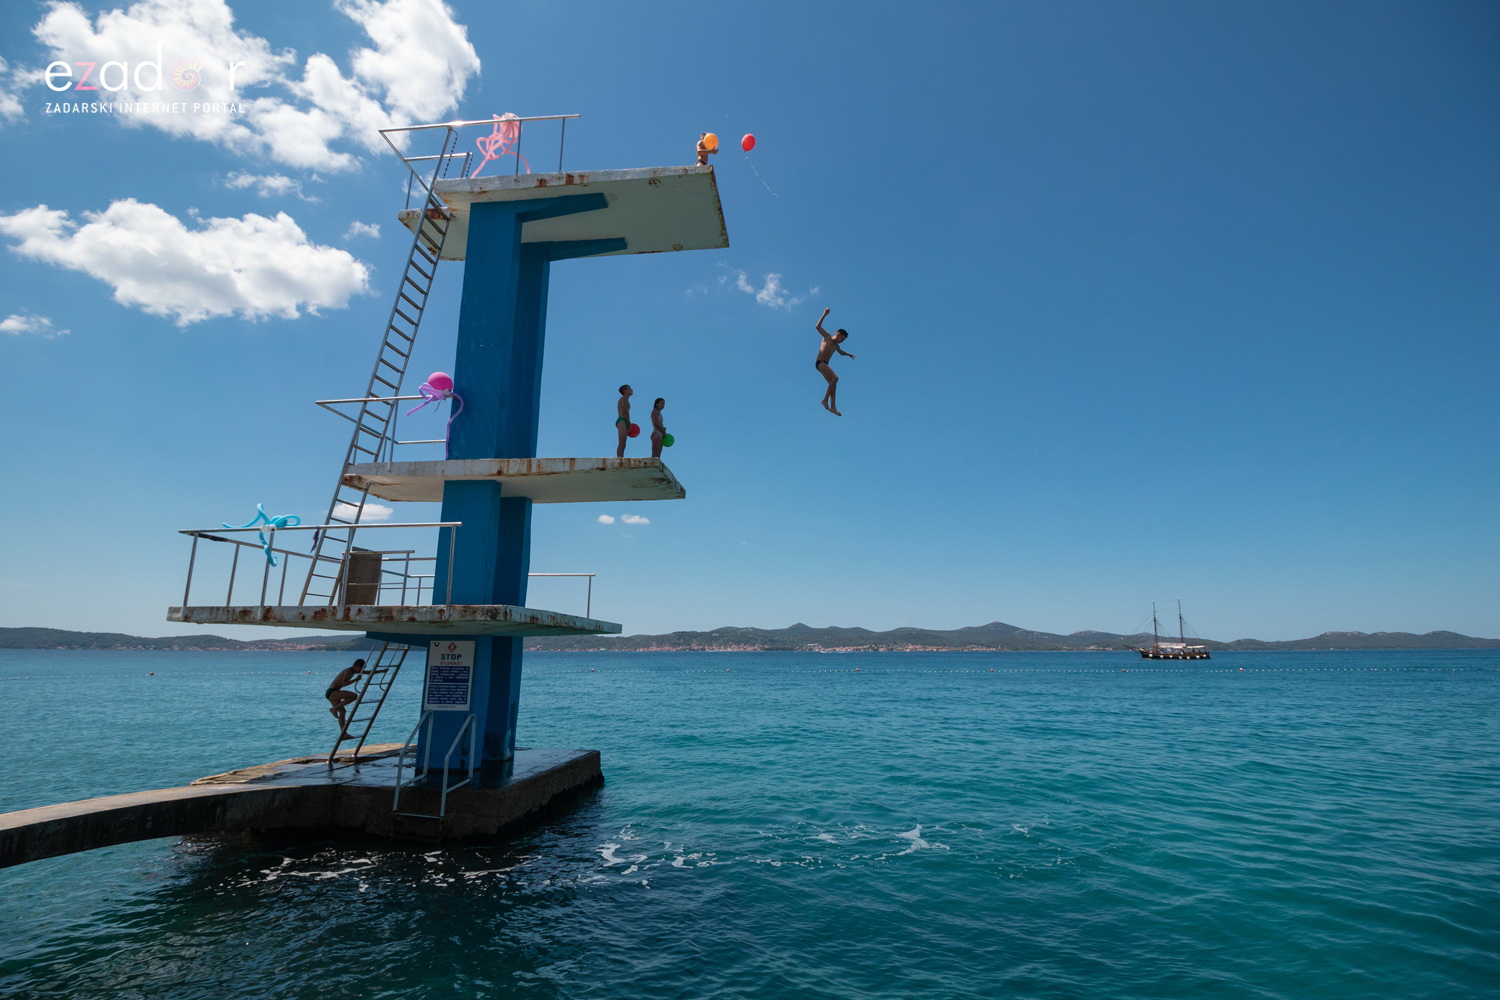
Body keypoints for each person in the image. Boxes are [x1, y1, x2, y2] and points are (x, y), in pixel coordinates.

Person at [814, 307, 855, 415]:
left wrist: (848, 354)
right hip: (820, 362)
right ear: (837, 334)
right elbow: (817, 327)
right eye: (842, 339)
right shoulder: (827, 337)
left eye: (843, 341)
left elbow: (841, 352)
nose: (841, 341)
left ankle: (833, 407)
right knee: (836, 378)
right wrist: (824, 314)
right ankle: (824, 400)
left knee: (834, 384)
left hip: (825, 364)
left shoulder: (836, 346)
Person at [326, 658, 366, 732]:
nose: (360, 671)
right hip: (332, 692)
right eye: (360, 669)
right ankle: (334, 709)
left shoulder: (354, 671)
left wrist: (382, 671)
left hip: (332, 693)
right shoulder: (348, 671)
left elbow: (369, 672)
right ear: (356, 666)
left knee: (342, 712)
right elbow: (343, 683)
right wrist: (356, 679)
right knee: (354, 696)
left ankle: (344, 734)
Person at [616, 384, 633, 457]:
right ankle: (619, 458)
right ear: (625, 391)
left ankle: (621, 457)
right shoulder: (623, 399)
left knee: (624, 442)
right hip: (622, 420)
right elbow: (625, 411)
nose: (632, 390)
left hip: (624, 421)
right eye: (630, 388)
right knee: (622, 441)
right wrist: (629, 422)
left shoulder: (626, 399)